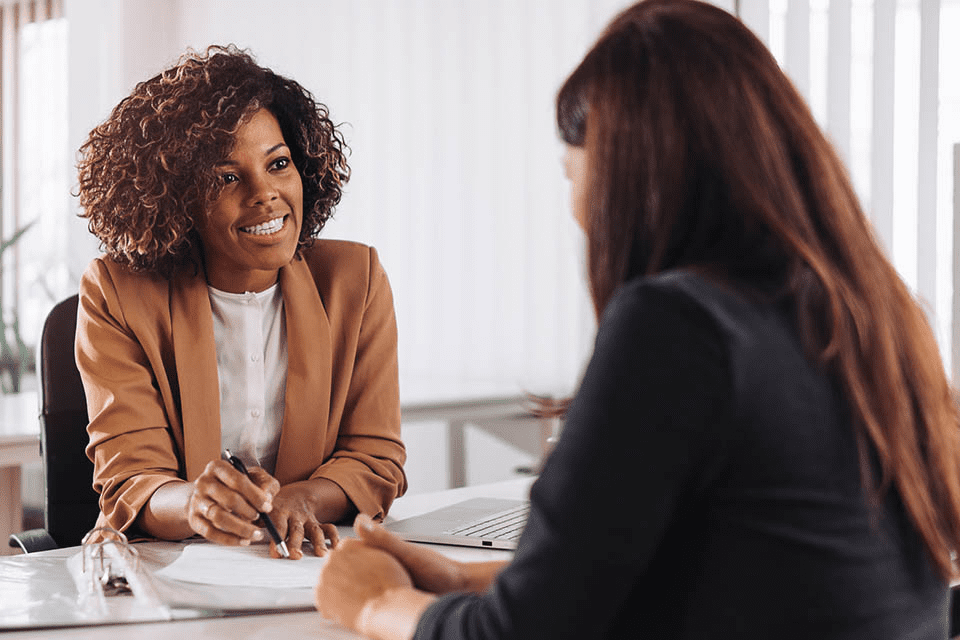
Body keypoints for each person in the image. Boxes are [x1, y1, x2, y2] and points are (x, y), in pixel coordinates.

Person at [314, 0, 960, 637]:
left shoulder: (679, 326)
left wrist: (375, 605)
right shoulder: (880, 318)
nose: (576, 214)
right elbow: (742, 573)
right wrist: (462, 581)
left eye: (574, 177)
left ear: (631, 177)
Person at [75, 45, 407, 559]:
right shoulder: (117, 292)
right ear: (177, 197)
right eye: (226, 177)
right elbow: (132, 479)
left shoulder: (354, 280)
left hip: (304, 565)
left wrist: (303, 500)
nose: (265, 193)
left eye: (278, 164)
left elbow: (374, 458)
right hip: (168, 572)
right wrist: (195, 504)